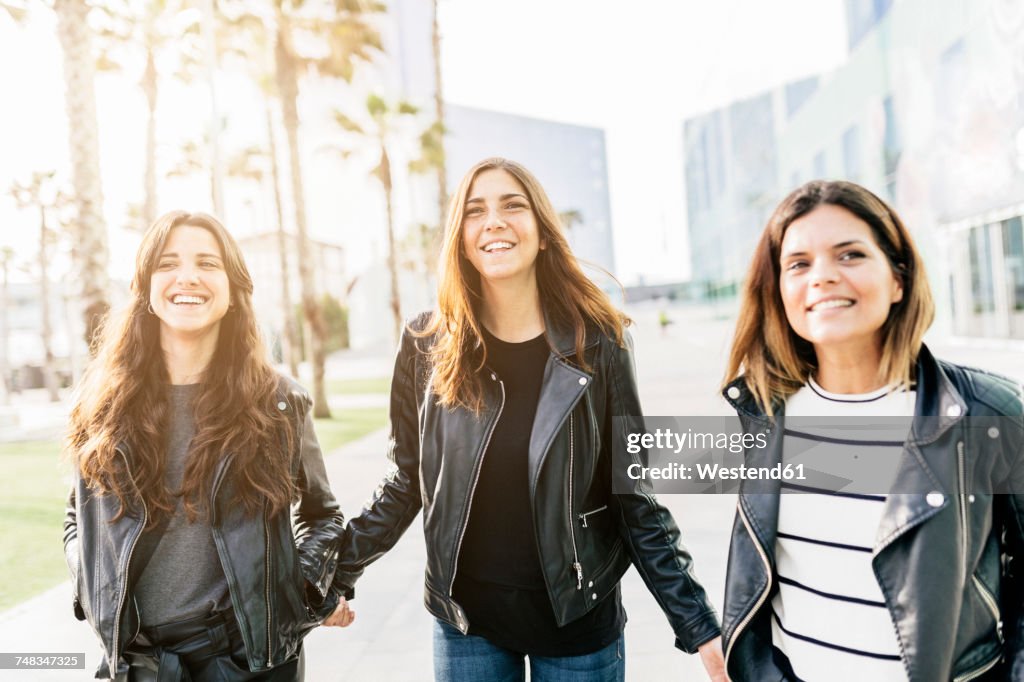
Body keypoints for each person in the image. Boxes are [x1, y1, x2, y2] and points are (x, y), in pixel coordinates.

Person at [325, 157, 725, 681]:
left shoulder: (597, 341)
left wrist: (697, 623)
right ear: (461, 239)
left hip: (578, 621)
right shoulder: (427, 344)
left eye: (512, 205)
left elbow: (633, 494)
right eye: (475, 211)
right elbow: (410, 479)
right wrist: (335, 571)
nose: (494, 220)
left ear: (541, 233)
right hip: (467, 622)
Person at [720, 180, 1024, 681]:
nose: (822, 277)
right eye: (798, 264)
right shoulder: (763, 415)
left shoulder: (986, 410)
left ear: (898, 279)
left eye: (850, 255)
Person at [63, 211, 353, 681]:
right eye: (168, 263)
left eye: (207, 263)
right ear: (145, 289)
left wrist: (295, 589)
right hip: (137, 664)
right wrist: (90, 583)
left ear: (234, 289)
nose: (187, 277)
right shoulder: (101, 405)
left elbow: (322, 516)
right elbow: (78, 515)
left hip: (246, 661)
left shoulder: (278, 401)